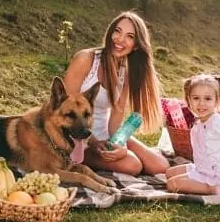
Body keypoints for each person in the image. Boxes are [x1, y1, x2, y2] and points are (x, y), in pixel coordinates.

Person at [63, 11, 170, 176]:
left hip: (103, 135)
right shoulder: (86, 59)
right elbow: (63, 109)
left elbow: (115, 122)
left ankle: (107, 154)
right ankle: (77, 157)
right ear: (110, 32)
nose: (120, 40)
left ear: (136, 45)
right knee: (133, 165)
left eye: (130, 36)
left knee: (160, 166)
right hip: (77, 134)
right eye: (117, 31)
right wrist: (92, 142)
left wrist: (122, 147)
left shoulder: (126, 73)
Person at [165, 73, 220, 195]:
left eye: (207, 99)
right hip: (201, 168)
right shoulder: (198, 121)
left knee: (171, 184)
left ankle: (212, 188)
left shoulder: (217, 122)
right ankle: (201, 181)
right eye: (196, 98)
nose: (201, 104)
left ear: (217, 101)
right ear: (189, 100)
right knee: (169, 173)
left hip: (214, 175)